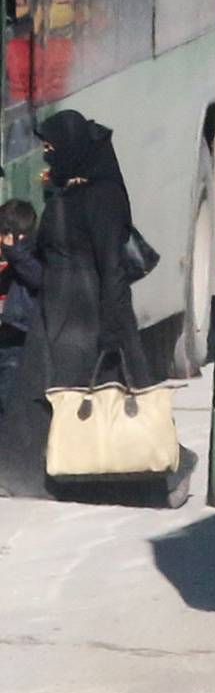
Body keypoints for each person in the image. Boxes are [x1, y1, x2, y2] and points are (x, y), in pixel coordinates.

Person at [0, 113, 157, 499]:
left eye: (52, 149)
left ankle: (107, 477)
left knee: (101, 400)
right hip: (55, 315)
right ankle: (29, 475)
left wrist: (112, 327)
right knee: (42, 397)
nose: (48, 157)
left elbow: (112, 268)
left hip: (92, 314)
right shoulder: (67, 195)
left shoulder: (105, 199)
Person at [0, 198, 38, 416]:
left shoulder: (31, 256)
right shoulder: (18, 261)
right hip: (11, 337)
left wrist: (14, 251)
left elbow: (37, 278)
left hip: (21, 340)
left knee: (11, 406)